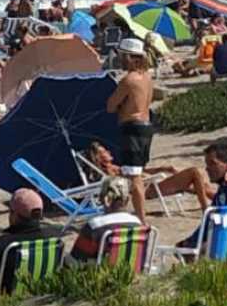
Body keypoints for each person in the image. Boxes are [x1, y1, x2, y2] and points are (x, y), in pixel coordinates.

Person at [84, 140, 213, 211]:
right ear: (99, 158)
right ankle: (205, 208)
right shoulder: (110, 172)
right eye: (104, 152)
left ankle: (218, 200)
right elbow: (130, 181)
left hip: (154, 183)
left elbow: (138, 172)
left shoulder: (115, 167)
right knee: (194, 172)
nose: (108, 151)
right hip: (150, 188)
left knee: (201, 185)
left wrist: (162, 168)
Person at [106, 38, 155, 223]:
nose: (119, 59)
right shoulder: (147, 77)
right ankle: (138, 215)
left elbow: (110, 106)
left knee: (134, 178)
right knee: (136, 174)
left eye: (121, 56)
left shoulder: (128, 80)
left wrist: (121, 106)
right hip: (146, 126)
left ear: (129, 58)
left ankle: (141, 219)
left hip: (132, 128)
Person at [0, 188, 60, 294]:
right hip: (41, 296)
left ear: (14, 215)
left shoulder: (0, 246)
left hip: (6, 300)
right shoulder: (53, 244)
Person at [68, 177, 143, 263]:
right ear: (127, 200)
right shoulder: (137, 224)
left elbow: (77, 258)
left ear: (102, 199)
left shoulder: (95, 226)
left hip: (102, 271)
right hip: (130, 270)